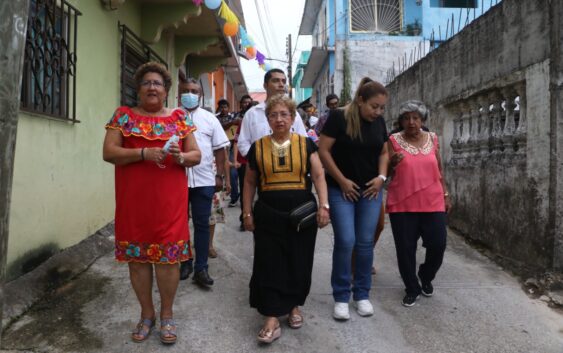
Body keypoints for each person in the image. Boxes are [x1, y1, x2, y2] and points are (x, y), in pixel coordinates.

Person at [103, 62, 201, 345]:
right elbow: (108, 152)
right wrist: (143, 153)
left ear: (167, 89)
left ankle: (167, 314)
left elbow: (195, 154)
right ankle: (147, 314)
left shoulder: (180, 118)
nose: (152, 87)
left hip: (169, 204)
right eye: (146, 83)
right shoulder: (123, 116)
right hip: (133, 204)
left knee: (169, 260)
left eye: (157, 83)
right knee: (138, 260)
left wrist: (180, 157)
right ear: (138, 88)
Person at [242, 94, 330, 344]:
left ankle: (293, 306)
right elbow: (249, 182)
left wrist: (324, 206)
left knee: (298, 259)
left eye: (284, 114)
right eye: (273, 115)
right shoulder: (257, 147)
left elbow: (319, 176)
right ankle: (270, 315)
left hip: (301, 214)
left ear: (292, 118)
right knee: (268, 262)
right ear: (267, 119)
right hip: (268, 213)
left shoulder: (306, 144)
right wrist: (247, 212)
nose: (279, 119)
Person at [318, 77, 389, 320]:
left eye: (381, 108)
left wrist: (381, 177)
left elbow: (384, 152)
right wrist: (341, 180)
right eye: (374, 106)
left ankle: (361, 294)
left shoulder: (379, 122)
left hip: (370, 191)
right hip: (341, 190)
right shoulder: (339, 117)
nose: (378, 112)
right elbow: (323, 150)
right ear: (360, 101)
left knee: (365, 242)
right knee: (346, 240)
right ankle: (340, 296)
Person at [386, 100, 452, 307]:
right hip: (402, 202)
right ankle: (411, 287)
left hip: (432, 200)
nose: (411, 122)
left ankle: (426, 275)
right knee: (405, 249)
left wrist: (446, 193)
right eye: (406, 118)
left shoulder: (433, 139)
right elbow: (385, 172)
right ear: (401, 121)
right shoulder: (392, 140)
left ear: (422, 120)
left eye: (415, 118)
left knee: (438, 244)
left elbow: (439, 168)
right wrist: (391, 164)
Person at [178, 78, 230, 287]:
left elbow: (220, 149)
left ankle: (201, 268)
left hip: (204, 180)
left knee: (201, 224)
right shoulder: (172, 117)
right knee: (179, 224)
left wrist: (220, 177)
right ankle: (185, 262)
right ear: (178, 93)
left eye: (194, 90)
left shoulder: (210, 119)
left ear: (200, 95)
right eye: (186, 90)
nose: (190, 94)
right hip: (176, 181)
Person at [237, 69, 308, 158]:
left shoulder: (293, 113)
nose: (281, 84)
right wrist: (257, 161)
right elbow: (243, 143)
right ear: (265, 85)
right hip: (260, 169)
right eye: (276, 81)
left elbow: (303, 140)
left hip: (290, 168)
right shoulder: (252, 114)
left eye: (283, 81)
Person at [232, 95, 254, 231]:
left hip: (262, 162)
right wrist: (235, 160)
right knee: (246, 190)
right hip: (244, 162)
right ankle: (244, 217)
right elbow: (236, 142)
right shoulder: (243, 123)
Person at [216, 99, 240, 207]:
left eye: (225, 107)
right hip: (220, 147)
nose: (224, 109)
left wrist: (232, 122)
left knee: (232, 173)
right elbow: (222, 127)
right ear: (219, 108)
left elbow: (239, 122)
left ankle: (234, 197)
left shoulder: (233, 116)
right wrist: (231, 123)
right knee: (220, 172)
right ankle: (223, 193)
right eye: (221, 107)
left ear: (228, 108)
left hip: (232, 147)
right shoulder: (215, 118)